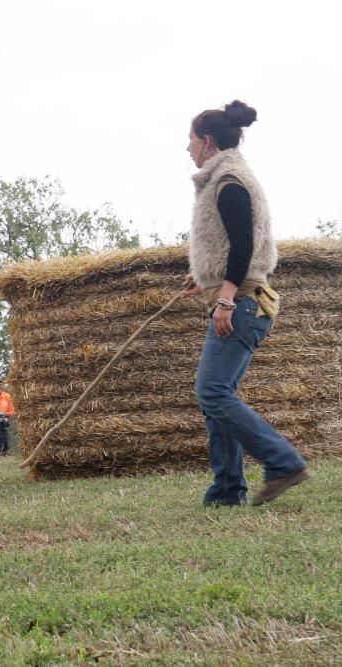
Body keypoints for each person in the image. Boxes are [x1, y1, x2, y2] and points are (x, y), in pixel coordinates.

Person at [179, 99, 308, 507]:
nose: (187, 148)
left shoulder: (228, 181)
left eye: (191, 139)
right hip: (242, 297)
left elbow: (244, 245)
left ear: (208, 141)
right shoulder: (230, 177)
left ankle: (283, 461)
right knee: (217, 398)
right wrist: (206, 278)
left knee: (213, 393)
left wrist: (227, 299)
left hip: (245, 304)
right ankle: (227, 491)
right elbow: (230, 245)